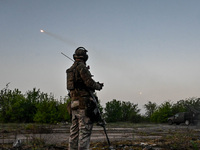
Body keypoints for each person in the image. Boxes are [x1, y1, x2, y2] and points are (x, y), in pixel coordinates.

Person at [66, 47, 103, 150]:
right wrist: (98, 86)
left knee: (74, 132)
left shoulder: (70, 70)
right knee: (84, 131)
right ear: (85, 58)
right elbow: (89, 83)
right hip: (83, 104)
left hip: (74, 103)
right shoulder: (82, 67)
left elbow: (74, 86)